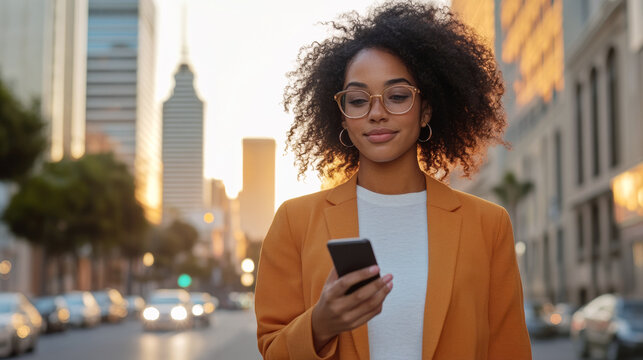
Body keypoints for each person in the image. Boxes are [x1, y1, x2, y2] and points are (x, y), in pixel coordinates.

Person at [254, 2, 532, 359]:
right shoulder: (295, 222)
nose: (376, 113)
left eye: (397, 96)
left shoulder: (489, 225)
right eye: (357, 100)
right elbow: (272, 349)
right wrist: (320, 324)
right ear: (342, 117)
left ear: (426, 109)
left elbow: (509, 350)